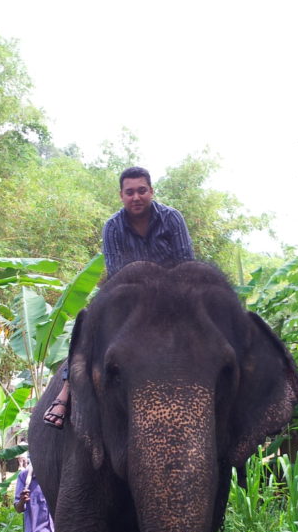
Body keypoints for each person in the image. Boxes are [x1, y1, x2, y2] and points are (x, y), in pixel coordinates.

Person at [43, 166, 194, 427]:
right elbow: (116, 271)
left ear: (151, 191)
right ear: (121, 196)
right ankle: (66, 389)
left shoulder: (172, 218)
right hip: (129, 298)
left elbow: (185, 262)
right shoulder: (113, 226)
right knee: (87, 321)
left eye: (142, 191)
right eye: (130, 192)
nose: (136, 197)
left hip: (174, 297)